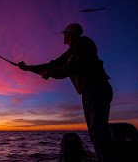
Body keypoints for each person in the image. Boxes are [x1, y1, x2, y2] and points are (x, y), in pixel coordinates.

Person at [18, 23, 119, 162]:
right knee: (94, 133)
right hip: (87, 93)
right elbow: (52, 64)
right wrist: (29, 68)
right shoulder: (69, 53)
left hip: (97, 89)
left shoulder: (84, 43)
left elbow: (72, 67)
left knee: (98, 132)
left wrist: (50, 73)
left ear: (70, 34)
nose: (63, 36)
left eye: (65, 33)